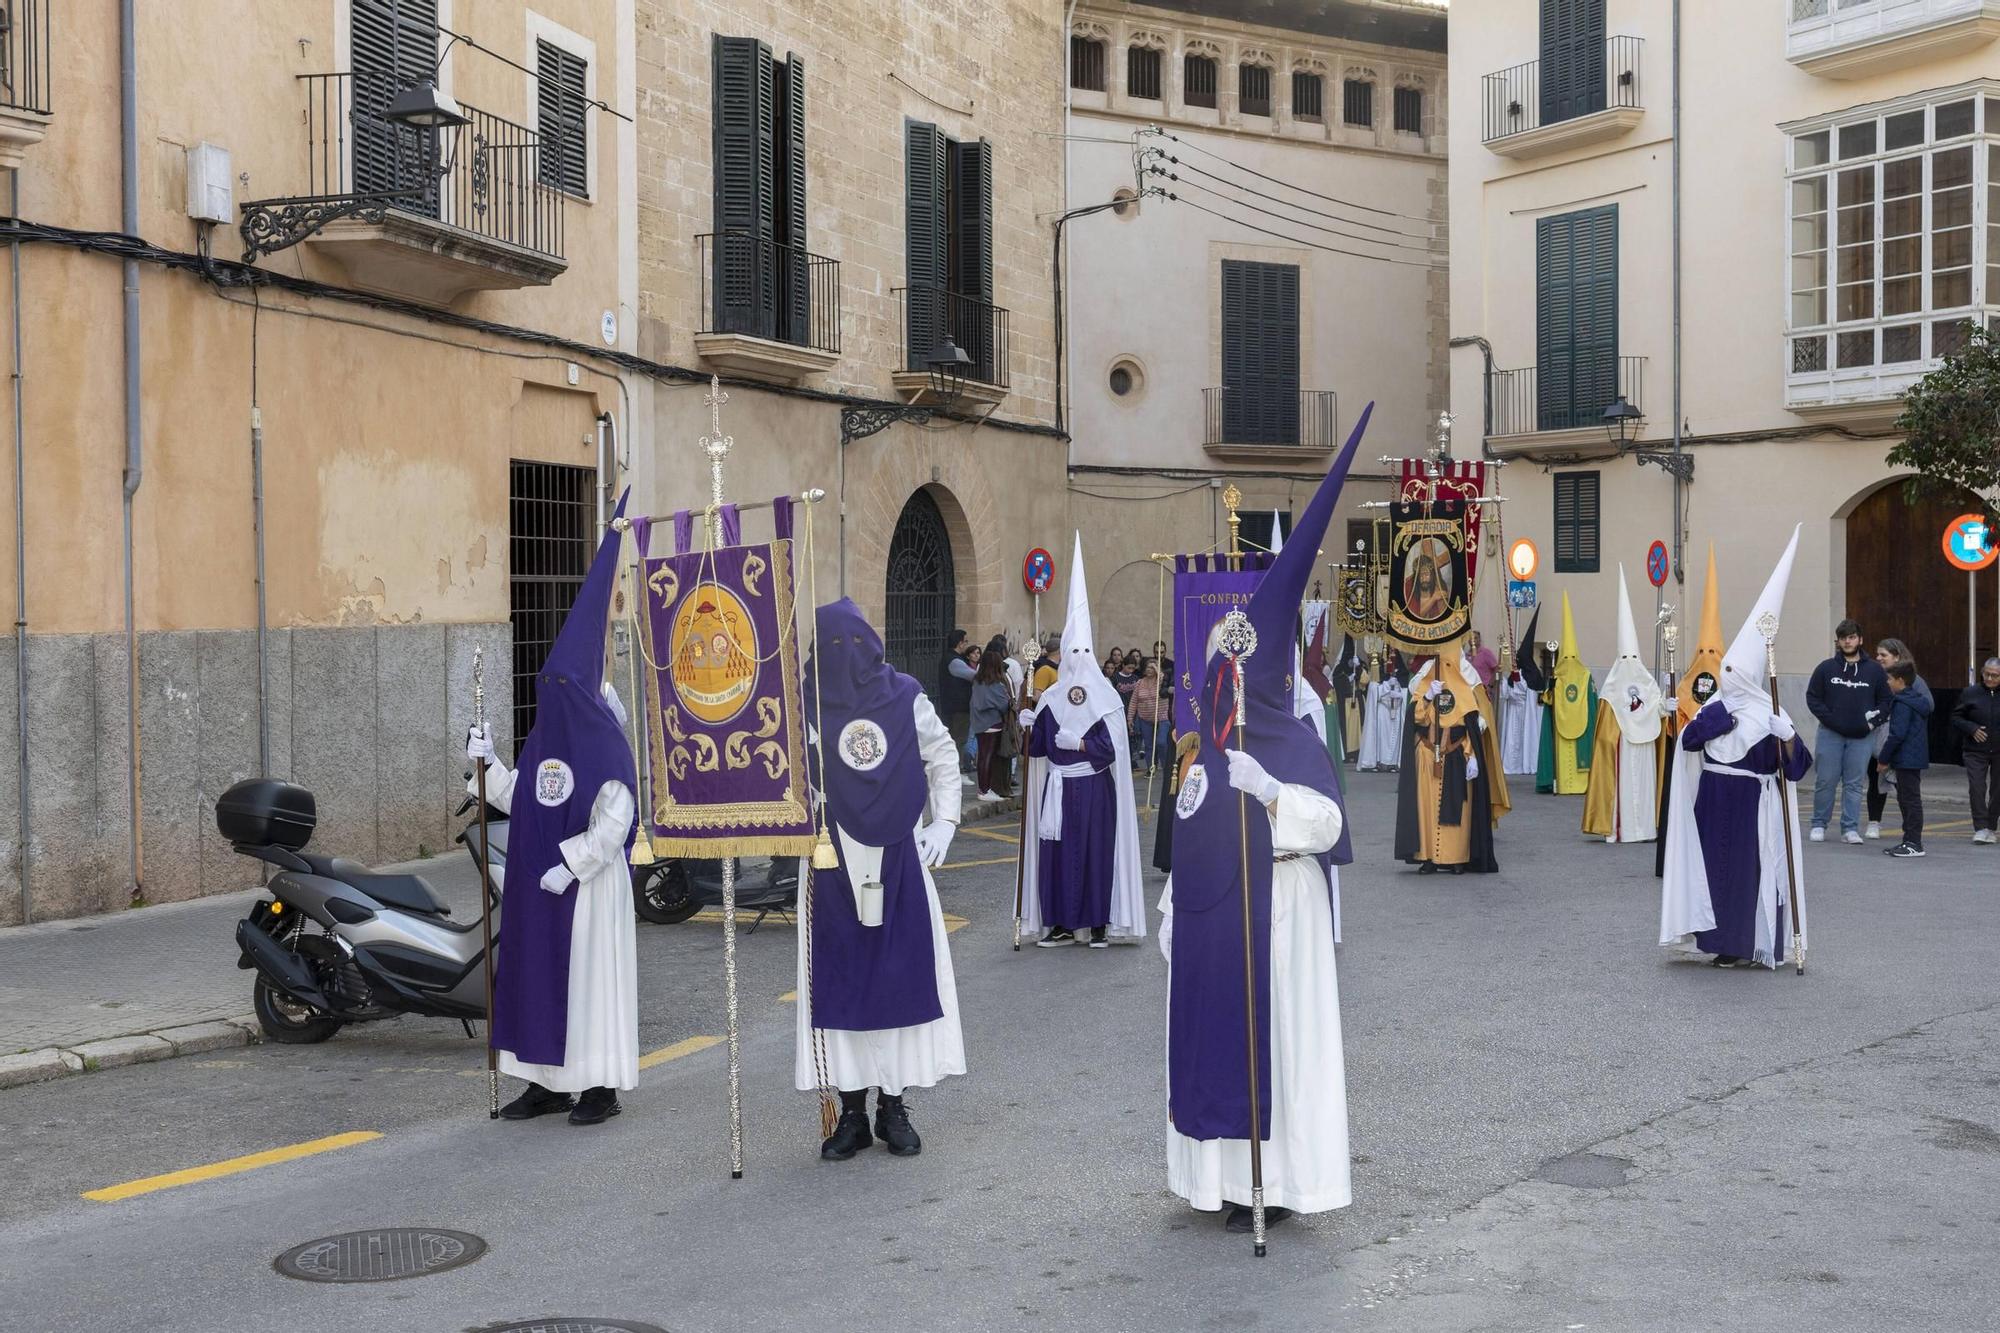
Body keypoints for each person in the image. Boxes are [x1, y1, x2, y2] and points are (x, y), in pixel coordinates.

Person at [1161, 403, 1369, 1238]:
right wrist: (1176, 905)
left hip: (1284, 911)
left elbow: (1324, 823)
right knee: (1223, 1043)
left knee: (1285, 1048)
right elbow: (1186, 836)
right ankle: (1221, 1182)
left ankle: (1280, 1181)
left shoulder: (1293, 738)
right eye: (1222, 670)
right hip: (1219, 917)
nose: (1229, 684)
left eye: (1238, 670)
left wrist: (1272, 794)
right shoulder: (1208, 750)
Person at [467, 494, 637, 1126]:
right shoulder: (545, 740)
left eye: (561, 688)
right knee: (538, 981)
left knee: (587, 989)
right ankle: (544, 1082)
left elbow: (613, 823)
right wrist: (487, 769)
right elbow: (527, 800)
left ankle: (597, 1088)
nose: (552, 696)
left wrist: (572, 866)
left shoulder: (605, 748)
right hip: (540, 887)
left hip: (586, 891)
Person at [799, 599, 964, 1160]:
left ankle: (894, 1105)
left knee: (898, 979)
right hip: (830, 855)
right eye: (833, 648)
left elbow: (942, 756)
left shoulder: (904, 696)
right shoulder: (805, 702)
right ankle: (851, 1113)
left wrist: (945, 820)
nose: (846, 659)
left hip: (899, 853)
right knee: (841, 982)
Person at [1661, 525, 1811, 969]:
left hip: (1751, 803)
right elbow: (1687, 741)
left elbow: (1797, 769)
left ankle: (1743, 943)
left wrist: (1786, 739)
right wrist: (1715, 723)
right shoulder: (1716, 708)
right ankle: (1715, 941)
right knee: (1713, 871)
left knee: (1746, 872)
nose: (1726, 677)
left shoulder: (1771, 711)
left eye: (1733, 672)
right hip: (1712, 797)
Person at [1020, 535, 1146, 948]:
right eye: (1068, 650)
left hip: (1093, 790)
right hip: (1058, 788)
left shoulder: (1106, 698)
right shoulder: (1052, 698)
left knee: (1094, 854)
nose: (1075, 657)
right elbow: (1038, 750)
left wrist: (1080, 745)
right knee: (1056, 857)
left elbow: (1112, 751)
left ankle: (1096, 924)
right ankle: (1057, 923)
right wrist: (1028, 723)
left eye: (1081, 650)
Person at [1397, 636, 1510, 874]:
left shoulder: (1468, 676)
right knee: (1426, 808)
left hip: (1457, 752)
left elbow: (1473, 721)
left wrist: (1473, 755)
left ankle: (1456, 857)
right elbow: (1416, 717)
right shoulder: (1428, 673)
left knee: (1459, 806)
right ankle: (1427, 856)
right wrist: (1427, 696)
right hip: (1427, 753)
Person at [1583, 568, 1669, 843]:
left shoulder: (1648, 683)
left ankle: (1645, 828)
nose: (1631, 661)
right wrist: (1618, 734)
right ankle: (1618, 828)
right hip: (1623, 748)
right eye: (1627, 657)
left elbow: (1658, 709)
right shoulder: (1611, 687)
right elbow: (1605, 732)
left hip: (1644, 748)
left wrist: (1666, 706)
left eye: (1635, 656)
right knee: (1624, 788)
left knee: (1644, 787)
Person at [1657, 544, 1725, 880]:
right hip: (1690, 763)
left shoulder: (1731, 683)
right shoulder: (1685, 684)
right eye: (1702, 651)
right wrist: (1668, 711)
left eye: (1714, 651)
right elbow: (1674, 731)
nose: (1708, 656)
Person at [1805, 617, 1890, 844]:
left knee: (1854, 784)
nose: (1848, 641)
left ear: (1860, 640)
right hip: (1830, 734)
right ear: (1838, 641)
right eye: (1843, 638)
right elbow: (1813, 698)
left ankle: (1849, 829)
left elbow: (1885, 700)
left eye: (1852, 637)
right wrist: (1831, 720)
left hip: (1862, 736)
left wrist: (1872, 723)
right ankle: (1818, 824)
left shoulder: (1874, 671)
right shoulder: (1825, 668)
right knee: (1826, 780)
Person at [1538, 592, 1596, 796]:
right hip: (1564, 728)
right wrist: (1551, 689)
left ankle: (1577, 784)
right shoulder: (1558, 675)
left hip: (1574, 726)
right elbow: (1547, 700)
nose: (1570, 660)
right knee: (1564, 756)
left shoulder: (1584, 675)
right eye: (1567, 656)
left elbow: (1593, 702)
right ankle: (1562, 783)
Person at [1863, 638, 1920, 840]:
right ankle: (1874, 822)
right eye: (1877, 654)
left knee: (1902, 787)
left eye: (1883, 655)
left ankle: (1911, 832)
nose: (1878, 658)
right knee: (1875, 781)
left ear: (1897, 656)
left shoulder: (1911, 680)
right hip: (1877, 735)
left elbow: (1926, 704)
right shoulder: (1875, 675)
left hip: (1898, 739)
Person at [1878, 661, 1932, 858]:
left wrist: (1883, 758)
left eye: (1890, 679)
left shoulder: (1902, 702)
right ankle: (1909, 840)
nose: (1888, 683)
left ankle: (1913, 843)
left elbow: (1897, 734)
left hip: (1906, 757)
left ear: (1900, 681)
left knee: (1909, 800)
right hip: (1913, 757)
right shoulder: (1916, 700)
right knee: (1908, 799)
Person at [1953, 657, 2000, 844]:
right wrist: (1971, 728)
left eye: (1995, 676)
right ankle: (1980, 827)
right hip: (1975, 749)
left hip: (1998, 750)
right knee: (1977, 788)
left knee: (1998, 790)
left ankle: (1991, 826)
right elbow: (1956, 717)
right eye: (1987, 674)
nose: (1990, 678)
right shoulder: (1970, 693)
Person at [1499, 606, 1543, 777]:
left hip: (1527, 713)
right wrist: (1506, 678)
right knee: (1513, 741)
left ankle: (1527, 764)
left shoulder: (1533, 674)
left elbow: (1533, 693)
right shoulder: (1514, 672)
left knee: (1526, 740)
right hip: (1515, 712)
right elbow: (1506, 693)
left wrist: (1519, 684)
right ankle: (1512, 765)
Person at [969, 645, 1014, 803]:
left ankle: (983, 788)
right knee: (988, 757)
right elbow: (1003, 704)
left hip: (979, 723)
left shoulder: (977, 680)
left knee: (982, 756)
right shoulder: (995, 684)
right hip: (992, 722)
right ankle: (984, 789)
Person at [1356, 656, 1405, 772]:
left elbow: (1407, 691)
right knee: (1381, 737)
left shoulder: (1401, 678)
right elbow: (1374, 691)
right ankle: (1378, 761)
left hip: (1396, 712)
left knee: (1394, 737)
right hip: (1383, 711)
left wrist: (1400, 692)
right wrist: (1387, 687)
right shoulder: (1378, 681)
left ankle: (1392, 763)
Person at [1129, 657, 1173, 773]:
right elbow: (1134, 701)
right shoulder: (1140, 683)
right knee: (1149, 746)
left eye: (1152, 668)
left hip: (1162, 718)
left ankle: (1166, 767)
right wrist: (1130, 718)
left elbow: (1162, 677)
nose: (1149, 669)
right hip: (1145, 718)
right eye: (1148, 667)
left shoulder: (1161, 680)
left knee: (1161, 743)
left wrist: (1157, 669)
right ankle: (1151, 769)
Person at [939, 629, 975, 772]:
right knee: (959, 739)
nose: (967, 644)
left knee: (957, 738)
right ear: (960, 643)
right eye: (966, 641)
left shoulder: (954, 658)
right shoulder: (954, 660)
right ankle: (957, 770)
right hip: (958, 707)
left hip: (953, 706)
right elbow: (973, 676)